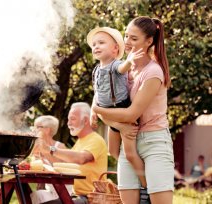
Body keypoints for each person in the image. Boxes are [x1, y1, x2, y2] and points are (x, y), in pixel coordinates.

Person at [93, 16, 174, 204]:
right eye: (126, 36)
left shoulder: (153, 72)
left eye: (134, 39)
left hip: (154, 142)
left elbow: (130, 114)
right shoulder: (122, 69)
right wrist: (116, 125)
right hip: (128, 140)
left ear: (149, 41)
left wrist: (96, 109)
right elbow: (106, 103)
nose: (127, 42)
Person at [87, 26, 147, 189]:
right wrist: (93, 111)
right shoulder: (96, 70)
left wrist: (129, 60)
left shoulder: (115, 65)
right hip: (108, 114)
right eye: (94, 44)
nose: (96, 46)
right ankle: (132, 178)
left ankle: (146, 185)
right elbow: (97, 93)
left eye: (101, 43)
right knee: (113, 151)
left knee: (130, 153)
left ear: (115, 49)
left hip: (120, 108)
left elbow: (122, 69)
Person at [36, 102, 108, 204]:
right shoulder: (80, 142)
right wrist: (44, 154)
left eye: (73, 119)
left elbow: (81, 158)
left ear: (86, 120)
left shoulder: (96, 140)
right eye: (68, 119)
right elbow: (64, 164)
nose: (68, 123)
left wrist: (50, 149)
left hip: (90, 198)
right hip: (76, 195)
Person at [30, 115, 72, 204]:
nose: (34, 130)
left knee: (37, 196)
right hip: (50, 191)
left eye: (37, 127)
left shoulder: (60, 147)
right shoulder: (36, 147)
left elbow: (59, 166)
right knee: (34, 195)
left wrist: (44, 150)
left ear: (47, 130)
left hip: (63, 192)